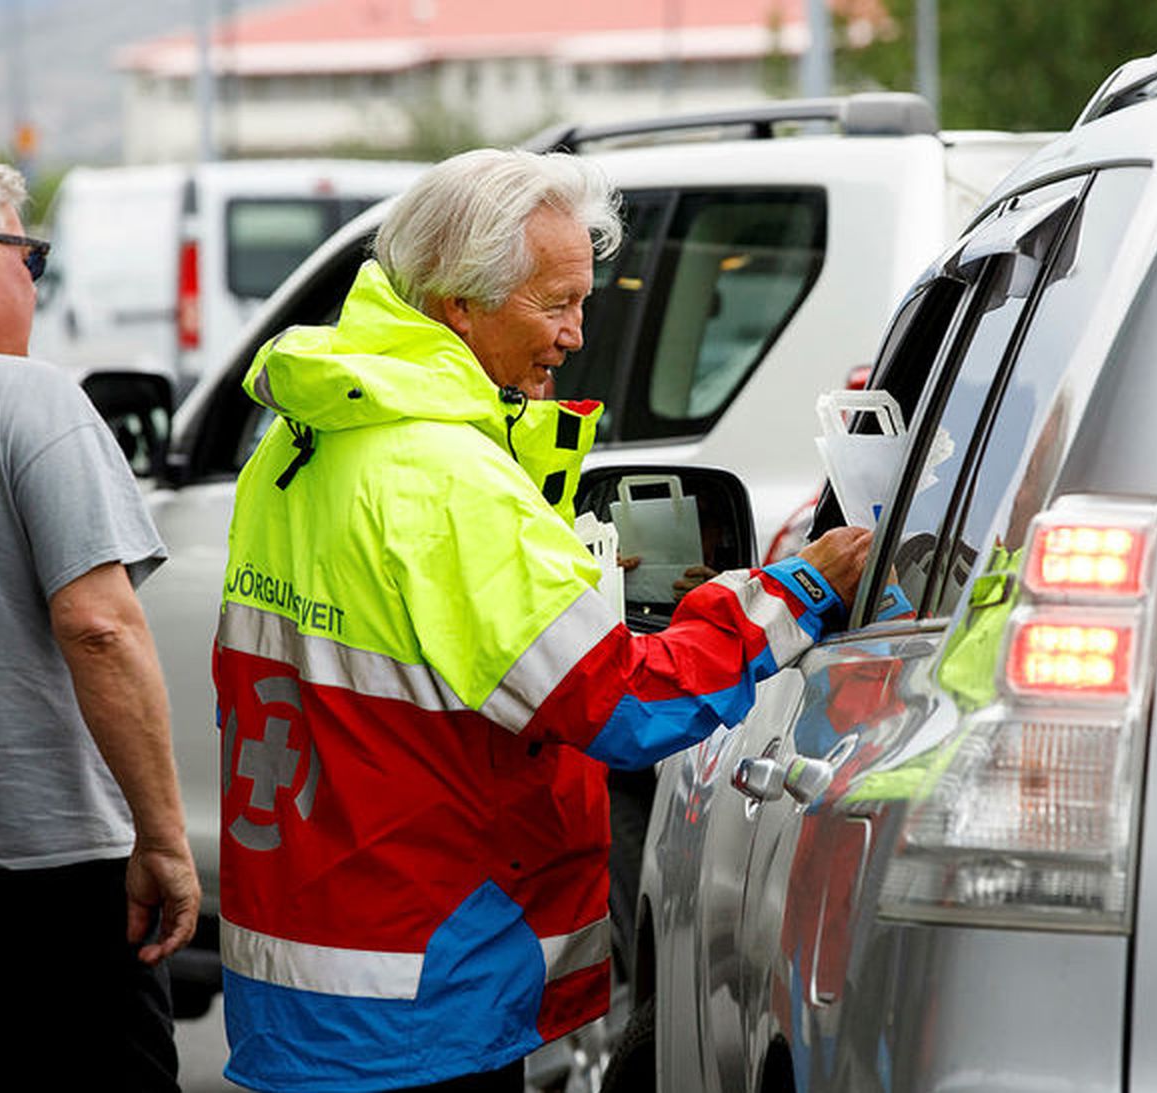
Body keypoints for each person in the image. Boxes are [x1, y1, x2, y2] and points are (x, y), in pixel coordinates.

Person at [213, 147, 871, 1093]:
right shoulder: (444, 478)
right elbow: (620, 701)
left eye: (582, 303)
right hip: (423, 986)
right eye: (554, 304)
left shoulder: (305, 437)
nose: (572, 334)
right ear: (458, 306)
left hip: (308, 966)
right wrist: (792, 591)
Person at [0, 151, 200, 1089]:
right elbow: (101, 626)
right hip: (39, 873)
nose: (31, 285)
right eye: (28, 257)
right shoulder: (29, 398)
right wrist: (164, 838)